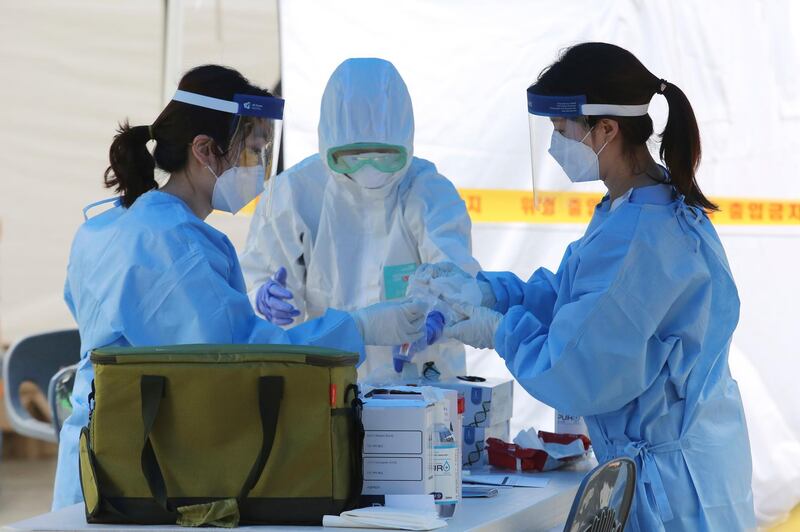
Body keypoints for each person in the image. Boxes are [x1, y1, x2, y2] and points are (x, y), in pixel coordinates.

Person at [53, 65, 426, 510]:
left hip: (104, 466)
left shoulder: (118, 222)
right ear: (205, 150)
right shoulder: (169, 244)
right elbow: (244, 362)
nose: (261, 168)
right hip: (132, 472)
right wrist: (359, 329)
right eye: (252, 151)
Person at [426, 43, 755, 530]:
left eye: (563, 131)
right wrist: (491, 292)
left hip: (675, 489)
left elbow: (575, 366)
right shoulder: (639, 205)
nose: (557, 144)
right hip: (692, 462)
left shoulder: (642, 239)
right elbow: (575, 299)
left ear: (606, 129)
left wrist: (499, 331)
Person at [240, 58, 480, 384]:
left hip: (421, 381)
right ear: (328, 145)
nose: (369, 169)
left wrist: (440, 312)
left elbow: (456, 274)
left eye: (384, 155)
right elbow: (259, 278)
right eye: (351, 156)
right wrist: (261, 298)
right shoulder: (294, 194)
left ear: (406, 142)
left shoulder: (428, 191)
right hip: (326, 381)